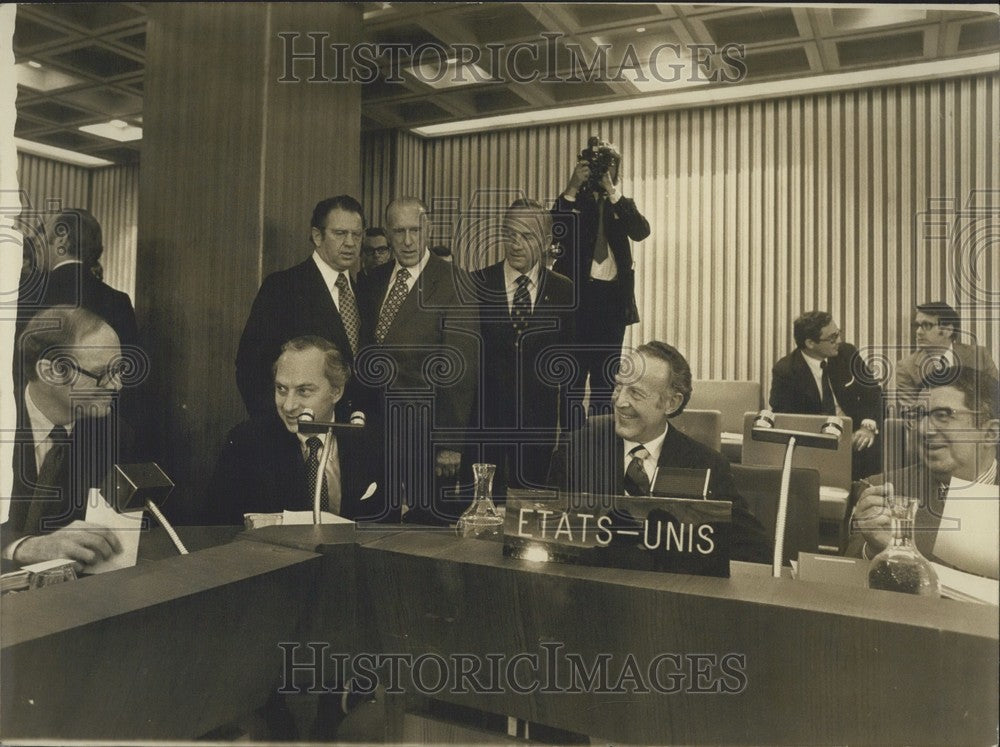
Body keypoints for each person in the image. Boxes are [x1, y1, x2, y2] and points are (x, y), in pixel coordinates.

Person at [550, 341, 772, 563]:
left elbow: (754, 549)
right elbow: (545, 533)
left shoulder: (706, 465)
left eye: (635, 393)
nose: (619, 401)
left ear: (671, 403)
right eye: (619, 387)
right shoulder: (577, 449)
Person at [356, 197, 479, 524]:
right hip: (375, 434)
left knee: (423, 531)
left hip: (426, 438)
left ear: (429, 229)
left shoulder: (456, 282)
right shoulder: (371, 281)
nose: (408, 241)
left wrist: (450, 443)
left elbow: (461, 369)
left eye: (415, 230)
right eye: (399, 231)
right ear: (387, 234)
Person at [2, 307, 131, 571]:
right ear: (51, 371)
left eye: (119, 369)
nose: (117, 385)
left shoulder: (116, 435)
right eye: (102, 373)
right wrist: (20, 547)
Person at [208, 336, 386, 525]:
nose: (288, 405)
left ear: (336, 392)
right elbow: (218, 527)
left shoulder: (373, 439)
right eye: (281, 389)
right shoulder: (246, 444)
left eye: (304, 391)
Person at [850, 367, 998, 579]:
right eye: (918, 416)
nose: (923, 429)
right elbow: (847, 577)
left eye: (942, 416)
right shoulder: (882, 491)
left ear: (990, 433)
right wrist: (874, 550)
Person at [470, 199, 574, 497]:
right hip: (483, 429)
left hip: (537, 431)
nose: (516, 244)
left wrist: (567, 433)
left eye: (526, 236)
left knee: (529, 522)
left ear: (545, 241)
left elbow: (569, 369)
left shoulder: (563, 290)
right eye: (510, 234)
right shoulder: (476, 284)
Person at [236, 195, 368, 422]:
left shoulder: (365, 292)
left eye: (356, 235)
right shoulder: (283, 287)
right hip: (294, 436)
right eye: (340, 234)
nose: (350, 243)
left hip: (350, 437)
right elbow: (251, 366)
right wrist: (278, 428)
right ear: (317, 236)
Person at [550, 137, 650, 417]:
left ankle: (599, 444)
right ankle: (571, 447)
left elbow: (641, 232)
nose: (604, 172)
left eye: (610, 167)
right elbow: (554, 232)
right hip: (578, 302)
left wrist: (612, 192)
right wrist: (572, 187)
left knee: (605, 382)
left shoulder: (620, 204)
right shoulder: (573, 202)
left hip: (612, 304)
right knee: (572, 380)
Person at [770, 311, 883, 479]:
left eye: (838, 333)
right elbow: (785, 419)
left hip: (856, 432)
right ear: (810, 343)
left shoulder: (847, 353)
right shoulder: (786, 371)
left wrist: (867, 427)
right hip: (815, 442)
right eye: (832, 337)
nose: (839, 341)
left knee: (880, 446)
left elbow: (873, 392)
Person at [894, 301, 998, 406]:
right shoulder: (906, 368)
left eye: (926, 325)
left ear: (948, 330)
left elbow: (996, 397)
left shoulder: (979, 356)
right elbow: (911, 414)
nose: (918, 332)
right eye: (918, 325)